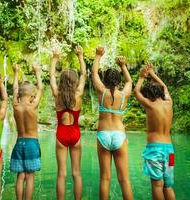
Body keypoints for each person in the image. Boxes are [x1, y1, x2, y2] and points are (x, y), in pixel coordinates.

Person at [91, 46, 133, 200]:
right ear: (118, 81)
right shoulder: (123, 95)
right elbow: (129, 81)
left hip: (103, 136)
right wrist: (123, 66)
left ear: (105, 80)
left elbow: (94, 73)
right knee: (124, 180)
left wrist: (98, 55)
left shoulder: (102, 92)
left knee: (105, 178)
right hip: (119, 136)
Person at [133, 64, 176, 200]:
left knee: (157, 186)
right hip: (170, 150)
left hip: (155, 150)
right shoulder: (169, 102)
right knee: (167, 186)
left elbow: (136, 92)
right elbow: (165, 88)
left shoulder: (150, 105)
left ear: (148, 96)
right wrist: (152, 74)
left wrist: (141, 77)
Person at [49, 45, 86, 200]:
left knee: (61, 174)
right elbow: (84, 73)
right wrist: (80, 56)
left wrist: (55, 58)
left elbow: (51, 76)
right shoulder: (78, 94)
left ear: (62, 81)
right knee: (76, 173)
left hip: (61, 134)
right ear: (75, 82)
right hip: (75, 133)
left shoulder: (57, 95)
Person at [10, 63, 43, 200]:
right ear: (31, 95)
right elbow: (41, 88)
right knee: (29, 176)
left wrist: (16, 72)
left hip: (19, 143)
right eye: (33, 95)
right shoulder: (33, 106)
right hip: (31, 143)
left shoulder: (16, 106)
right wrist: (36, 72)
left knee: (20, 175)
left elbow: (15, 88)